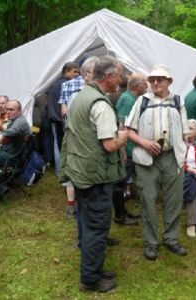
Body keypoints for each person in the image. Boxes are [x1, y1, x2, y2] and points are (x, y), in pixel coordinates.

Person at [59, 56, 127, 293]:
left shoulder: (81, 96)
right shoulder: (99, 103)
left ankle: (93, 269)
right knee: (97, 227)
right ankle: (90, 279)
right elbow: (109, 145)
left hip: (81, 171)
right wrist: (124, 136)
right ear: (108, 77)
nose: (122, 79)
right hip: (95, 175)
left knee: (89, 223)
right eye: (119, 75)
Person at [126, 64, 189, 261]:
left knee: (174, 200)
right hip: (146, 159)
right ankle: (151, 243)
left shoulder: (178, 101)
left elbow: (186, 132)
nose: (155, 82)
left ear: (169, 82)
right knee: (148, 199)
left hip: (172, 157)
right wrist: (145, 143)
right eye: (152, 79)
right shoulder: (141, 101)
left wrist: (184, 148)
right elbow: (128, 130)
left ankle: (171, 239)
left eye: (160, 79)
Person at [59, 56, 99, 218]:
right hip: (89, 134)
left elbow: (63, 108)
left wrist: (68, 123)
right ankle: (86, 207)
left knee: (71, 164)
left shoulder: (66, 85)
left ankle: (72, 206)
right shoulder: (94, 88)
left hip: (71, 131)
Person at [113, 72, 148, 226]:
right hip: (126, 148)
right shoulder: (128, 100)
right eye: (145, 84)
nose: (147, 87)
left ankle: (123, 212)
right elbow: (122, 126)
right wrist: (123, 150)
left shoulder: (132, 98)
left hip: (129, 147)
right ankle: (120, 216)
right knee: (120, 182)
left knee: (123, 181)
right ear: (138, 86)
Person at [46, 62, 80, 174]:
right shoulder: (66, 84)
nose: (77, 74)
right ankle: (61, 171)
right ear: (66, 71)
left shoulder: (55, 83)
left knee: (58, 144)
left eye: (78, 72)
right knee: (61, 146)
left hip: (55, 118)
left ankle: (60, 170)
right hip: (59, 120)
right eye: (75, 71)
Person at [0, 100, 31, 168]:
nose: (8, 112)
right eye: (7, 109)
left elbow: (13, 131)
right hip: (6, 152)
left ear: (20, 111)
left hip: (12, 158)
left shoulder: (21, 121)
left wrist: (0, 135)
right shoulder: (13, 121)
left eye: (11, 110)